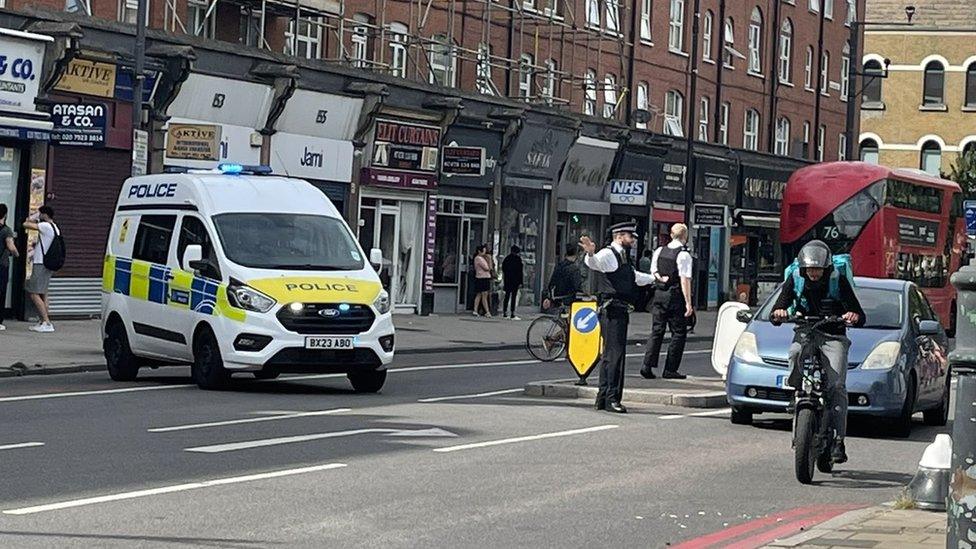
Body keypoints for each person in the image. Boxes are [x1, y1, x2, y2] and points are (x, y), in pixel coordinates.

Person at [771, 240, 865, 464]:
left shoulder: (838, 281)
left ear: (827, 268)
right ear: (803, 269)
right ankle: (796, 392)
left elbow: (859, 314)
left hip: (833, 335)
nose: (814, 273)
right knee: (794, 353)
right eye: (810, 269)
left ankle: (839, 440)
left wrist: (852, 316)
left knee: (837, 385)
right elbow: (777, 309)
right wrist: (780, 313)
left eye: (818, 269)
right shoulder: (795, 279)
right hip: (805, 331)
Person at [580, 221, 654, 414]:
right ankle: (612, 398)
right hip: (612, 310)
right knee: (615, 356)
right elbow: (595, 264)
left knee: (610, 355)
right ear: (620, 236)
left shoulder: (622, 256)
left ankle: (603, 397)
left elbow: (633, 276)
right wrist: (590, 253)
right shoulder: (608, 253)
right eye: (631, 236)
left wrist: (654, 278)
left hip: (618, 310)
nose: (633, 240)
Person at [641, 223, 694, 380]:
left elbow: (654, 271)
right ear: (685, 236)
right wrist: (688, 303)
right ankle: (670, 369)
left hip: (659, 294)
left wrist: (661, 279)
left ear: (671, 235)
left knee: (657, 330)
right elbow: (685, 279)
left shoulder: (659, 250)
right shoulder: (683, 255)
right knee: (678, 332)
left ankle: (647, 366)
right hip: (675, 295)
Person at [23, 205, 58, 333]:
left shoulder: (45, 226)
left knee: (33, 292)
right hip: (47, 264)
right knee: (43, 293)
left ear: (44, 215)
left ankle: (46, 322)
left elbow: (25, 224)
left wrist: (34, 217)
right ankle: (43, 321)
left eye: (40, 213)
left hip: (40, 263)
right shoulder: (55, 227)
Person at [545, 244, 583, 308]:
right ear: (576, 256)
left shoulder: (559, 266)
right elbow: (577, 288)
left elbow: (551, 284)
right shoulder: (575, 270)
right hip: (570, 302)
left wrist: (549, 298)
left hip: (557, 301)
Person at [0, 204, 19, 331]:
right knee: (1, 292)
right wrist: (17, 254)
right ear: (5, 215)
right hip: (2, 265)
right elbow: (11, 247)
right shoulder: (6, 230)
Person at [501, 245, 524, 320]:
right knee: (514, 296)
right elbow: (520, 271)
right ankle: (512, 313)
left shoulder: (507, 258)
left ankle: (505, 312)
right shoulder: (518, 259)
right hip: (515, 281)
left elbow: (503, 268)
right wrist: (521, 282)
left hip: (508, 280)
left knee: (507, 296)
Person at [472, 244, 492, 317]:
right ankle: (487, 311)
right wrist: (489, 260)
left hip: (481, 277)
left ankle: (475, 310)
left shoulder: (480, 258)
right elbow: (487, 268)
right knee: (484, 295)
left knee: (479, 294)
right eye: (483, 251)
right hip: (483, 278)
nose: (485, 253)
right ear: (479, 251)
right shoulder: (479, 258)